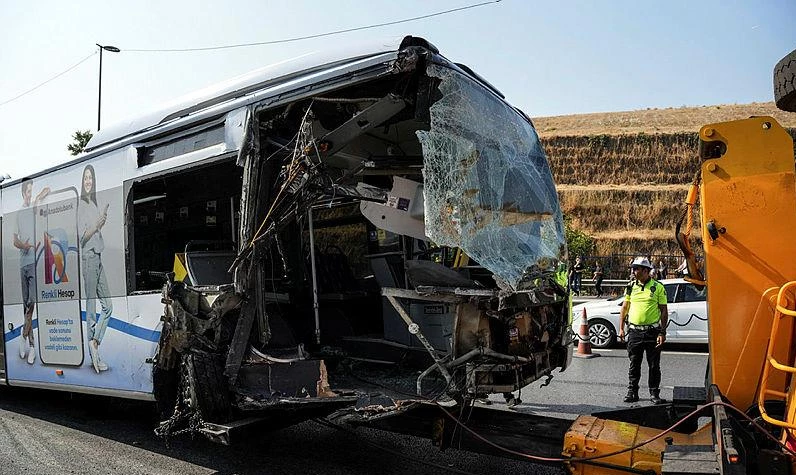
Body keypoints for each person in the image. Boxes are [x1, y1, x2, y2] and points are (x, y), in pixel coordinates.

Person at [618, 257, 668, 404]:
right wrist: (621, 328)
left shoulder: (658, 287)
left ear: (646, 271)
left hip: (652, 332)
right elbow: (625, 307)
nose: (634, 271)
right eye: (633, 269)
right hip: (634, 332)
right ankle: (632, 391)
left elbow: (664, 311)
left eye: (637, 269)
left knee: (653, 365)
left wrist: (662, 332)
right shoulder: (630, 286)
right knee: (634, 363)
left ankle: (654, 393)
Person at [78, 165, 113, 373]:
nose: (88, 181)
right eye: (86, 178)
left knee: (108, 306)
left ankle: (95, 342)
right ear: (83, 182)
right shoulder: (82, 205)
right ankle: (95, 354)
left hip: (98, 257)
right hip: (89, 259)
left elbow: (94, 231)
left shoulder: (92, 202)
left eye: (91, 177)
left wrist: (101, 222)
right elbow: (82, 238)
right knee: (92, 308)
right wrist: (97, 224)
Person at [12, 179, 50, 364]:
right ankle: (32, 346)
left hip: (34, 263)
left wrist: (41, 194)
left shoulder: (32, 208)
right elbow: (14, 241)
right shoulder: (18, 214)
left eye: (31, 191)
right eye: (27, 191)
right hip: (22, 264)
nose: (29, 194)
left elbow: (41, 197)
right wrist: (24, 245)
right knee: (26, 305)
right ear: (22, 193)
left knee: (32, 302)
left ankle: (23, 335)